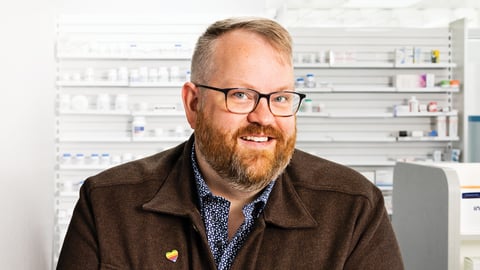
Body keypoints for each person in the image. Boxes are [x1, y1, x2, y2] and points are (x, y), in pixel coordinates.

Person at [56, 17, 404, 270]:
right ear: (194, 104)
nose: (264, 118)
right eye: (240, 95)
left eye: (280, 98)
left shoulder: (353, 208)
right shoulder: (108, 204)